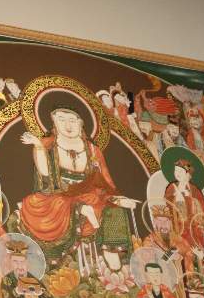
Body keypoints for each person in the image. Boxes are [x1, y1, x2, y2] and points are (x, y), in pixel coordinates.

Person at [18, 106, 138, 264]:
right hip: (58, 194)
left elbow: (106, 181)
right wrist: (38, 146)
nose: (67, 125)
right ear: (54, 122)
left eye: (72, 120)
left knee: (114, 209)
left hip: (89, 194)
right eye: (61, 119)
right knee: (54, 203)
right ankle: (81, 210)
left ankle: (111, 253)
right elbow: (45, 174)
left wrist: (117, 198)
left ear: (81, 124)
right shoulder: (47, 144)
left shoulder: (92, 150)